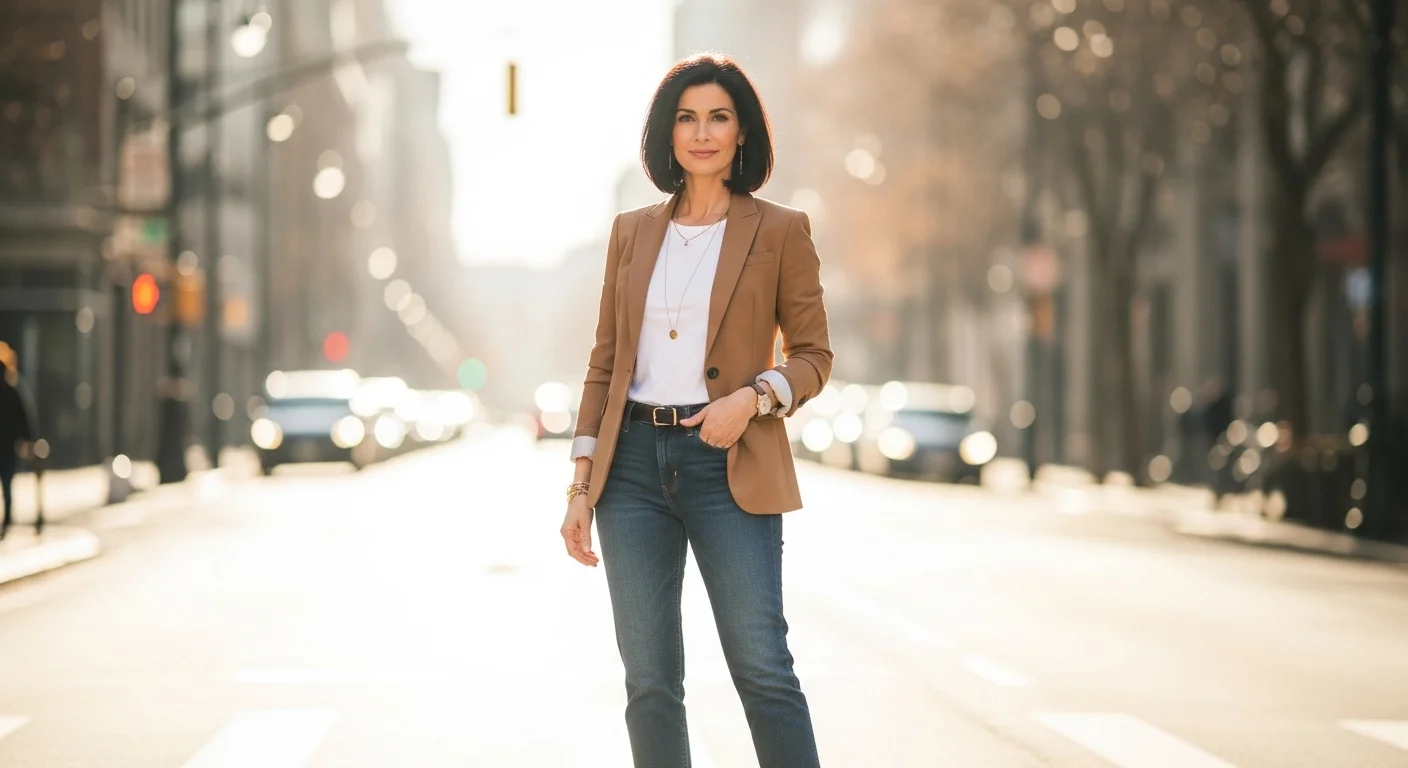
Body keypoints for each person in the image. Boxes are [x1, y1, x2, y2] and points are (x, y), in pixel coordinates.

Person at [558, 54, 832, 768]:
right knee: (649, 684)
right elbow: (604, 366)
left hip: (728, 466)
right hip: (633, 477)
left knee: (763, 670)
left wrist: (753, 398)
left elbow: (813, 356)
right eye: (687, 118)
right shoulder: (631, 232)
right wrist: (581, 487)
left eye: (718, 118)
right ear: (666, 132)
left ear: (742, 134)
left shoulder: (780, 230)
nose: (701, 133)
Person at [0, 356, 35, 539]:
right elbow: (24, 418)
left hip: (6, 446)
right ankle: (7, 520)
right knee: (7, 483)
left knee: (6, 483)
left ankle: (6, 520)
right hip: (7, 446)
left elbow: (22, 418)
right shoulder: (12, 391)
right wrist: (27, 438)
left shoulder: (11, 392)